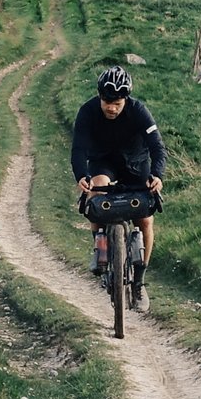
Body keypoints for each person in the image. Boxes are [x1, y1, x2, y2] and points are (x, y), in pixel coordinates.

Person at [73, 64, 165, 273]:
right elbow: (78, 148)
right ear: (99, 97)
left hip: (135, 164)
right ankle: (101, 248)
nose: (111, 108)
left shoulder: (139, 112)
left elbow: (157, 147)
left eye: (117, 103)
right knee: (96, 191)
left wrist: (157, 175)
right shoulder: (87, 112)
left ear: (125, 100)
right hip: (102, 162)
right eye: (106, 102)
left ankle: (140, 280)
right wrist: (81, 175)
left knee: (145, 220)